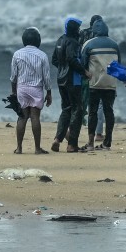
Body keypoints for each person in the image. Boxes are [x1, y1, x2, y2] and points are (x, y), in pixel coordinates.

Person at [10, 27, 53, 155]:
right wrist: (49, 93)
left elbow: (13, 77)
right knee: (35, 118)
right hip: (36, 89)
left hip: (22, 88)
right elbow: (46, 77)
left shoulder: (17, 54)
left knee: (22, 118)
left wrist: (13, 92)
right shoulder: (42, 55)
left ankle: (19, 148)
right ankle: (37, 148)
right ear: (38, 40)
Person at [80, 17, 121, 151]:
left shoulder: (89, 44)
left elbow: (83, 64)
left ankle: (91, 143)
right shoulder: (115, 45)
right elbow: (118, 65)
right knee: (109, 112)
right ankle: (107, 143)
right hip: (110, 84)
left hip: (94, 84)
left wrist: (85, 76)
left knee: (92, 112)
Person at [49, 15, 86, 153]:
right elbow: (72, 58)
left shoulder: (60, 40)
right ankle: (72, 144)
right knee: (78, 109)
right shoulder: (73, 42)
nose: (79, 31)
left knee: (66, 108)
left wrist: (63, 68)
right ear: (75, 30)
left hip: (61, 79)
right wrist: (84, 72)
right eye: (78, 28)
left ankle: (57, 139)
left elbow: (54, 60)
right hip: (73, 80)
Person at [78, 14, 106, 148]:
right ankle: (98, 133)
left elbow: (79, 51)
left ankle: (75, 130)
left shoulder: (82, 33)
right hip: (97, 72)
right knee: (99, 104)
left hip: (83, 72)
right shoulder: (100, 37)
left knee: (83, 102)